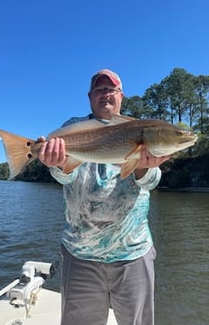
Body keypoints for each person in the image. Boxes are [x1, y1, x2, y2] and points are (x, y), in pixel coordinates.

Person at [38, 69, 169, 325]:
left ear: (121, 96)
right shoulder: (72, 129)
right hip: (80, 253)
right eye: (99, 90)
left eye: (111, 90)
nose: (105, 94)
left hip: (132, 252)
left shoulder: (141, 129)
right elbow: (65, 177)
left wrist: (143, 166)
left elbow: (151, 182)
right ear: (89, 97)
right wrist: (54, 164)